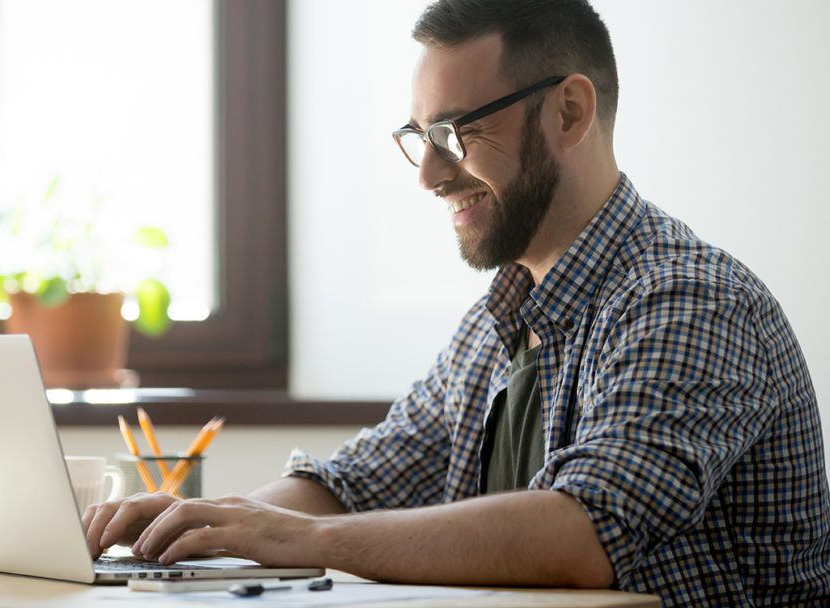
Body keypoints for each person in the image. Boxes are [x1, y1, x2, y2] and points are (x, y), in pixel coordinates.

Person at [84, 1, 830, 605]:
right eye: (420, 135)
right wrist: (210, 525)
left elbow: (586, 534)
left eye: (455, 131)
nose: (431, 174)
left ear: (569, 111)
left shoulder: (690, 301)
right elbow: (353, 485)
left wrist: (296, 541)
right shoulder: (497, 320)